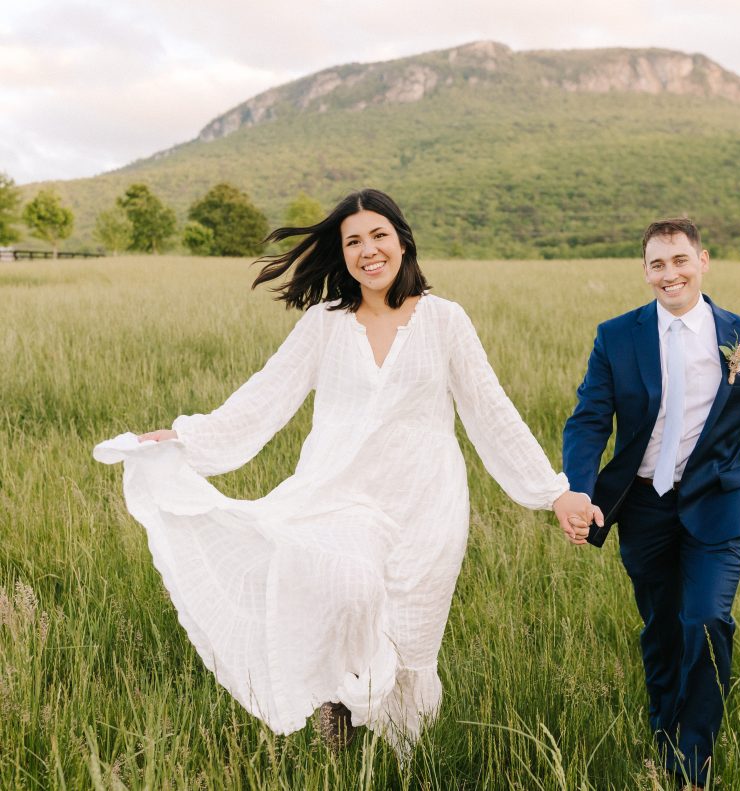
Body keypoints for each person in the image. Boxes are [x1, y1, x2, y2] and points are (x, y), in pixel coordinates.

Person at [93, 188, 598, 755]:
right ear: (344, 255)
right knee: (346, 590)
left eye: (378, 235)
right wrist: (184, 440)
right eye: (353, 241)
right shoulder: (326, 323)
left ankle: (392, 763)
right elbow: (265, 399)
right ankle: (335, 736)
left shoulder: (444, 321)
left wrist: (555, 493)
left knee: (408, 642)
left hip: (426, 507)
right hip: (338, 495)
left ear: (403, 242)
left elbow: (492, 414)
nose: (368, 250)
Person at [562, 218, 740, 789]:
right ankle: (664, 730)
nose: (670, 274)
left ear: (703, 261)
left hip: (721, 502)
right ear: (645, 272)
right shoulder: (617, 335)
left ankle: (694, 759)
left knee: (706, 619)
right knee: (662, 626)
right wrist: (579, 488)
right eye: (658, 264)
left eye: (680, 260)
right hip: (644, 504)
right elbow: (590, 419)